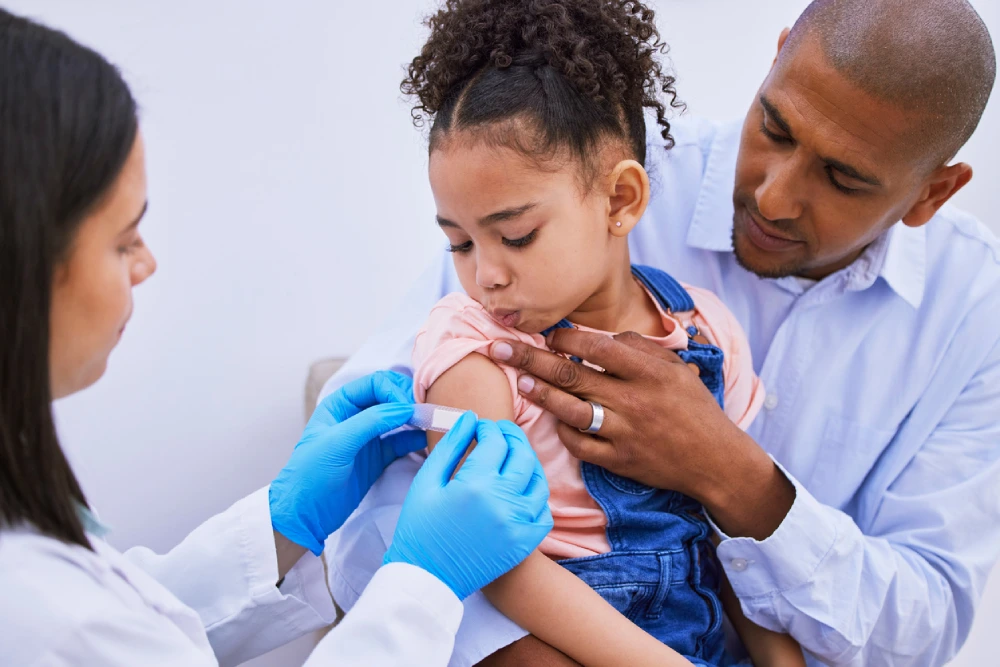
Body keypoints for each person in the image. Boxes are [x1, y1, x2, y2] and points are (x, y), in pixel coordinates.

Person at [322, 0, 1000, 665]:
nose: (773, 196)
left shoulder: (968, 311)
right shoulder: (558, 186)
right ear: (779, 53)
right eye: (776, 127)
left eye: (841, 178)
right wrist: (508, 651)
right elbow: (368, 490)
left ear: (931, 195)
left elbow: (922, 618)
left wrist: (734, 477)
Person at [0, 8, 552, 667]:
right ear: (22, 256)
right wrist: (422, 584)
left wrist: (279, 526)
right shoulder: (37, 611)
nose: (146, 264)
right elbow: (93, 635)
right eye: (123, 240)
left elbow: (136, 623)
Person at [334, 1, 803, 665]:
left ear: (620, 201)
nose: (486, 275)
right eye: (460, 242)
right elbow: (492, 559)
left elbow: (732, 541)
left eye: (516, 235)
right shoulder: (474, 349)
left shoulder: (704, 330)